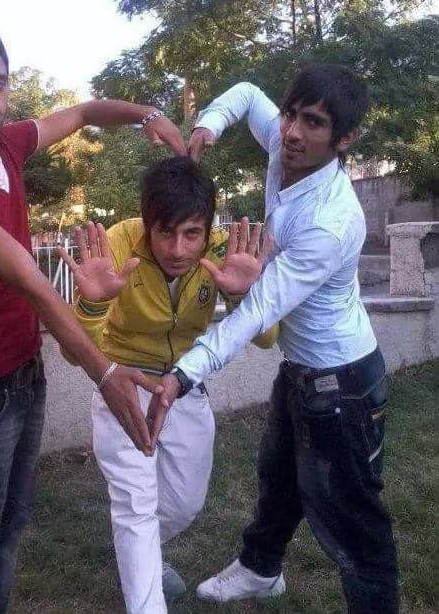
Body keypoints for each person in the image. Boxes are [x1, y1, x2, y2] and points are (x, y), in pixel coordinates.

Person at [0, 14, 187, 614]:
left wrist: (149, 115)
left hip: (21, 379)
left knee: (8, 536)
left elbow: (86, 113)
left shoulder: (9, 146)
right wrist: (108, 374)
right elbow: (38, 286)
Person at [157, 65, 399, 612]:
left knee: (353, 519)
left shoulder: (332, 221)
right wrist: (210, 124)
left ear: (344, 139)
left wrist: (184, 374)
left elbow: (259, 308)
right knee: (278, 475)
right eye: (291, 114)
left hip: (343, 385)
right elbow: (244, 92)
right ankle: (260, 570)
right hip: (301, 370)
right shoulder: (284, 146)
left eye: (313, 122)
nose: (292, 131)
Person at [58, 156, 277, 614]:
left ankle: (140, 555)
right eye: (165, 232)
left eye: (191, 234)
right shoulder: (116, 243)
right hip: (123, 385)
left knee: (183, 504)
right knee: (136, 507)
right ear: (146, 223)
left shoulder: (225, 249)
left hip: (185, 386)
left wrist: (244, 295)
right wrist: (93, 306)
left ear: (207, 228)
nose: (178, 248)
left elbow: (266, 339)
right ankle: (145, 592)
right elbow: (71, 350)